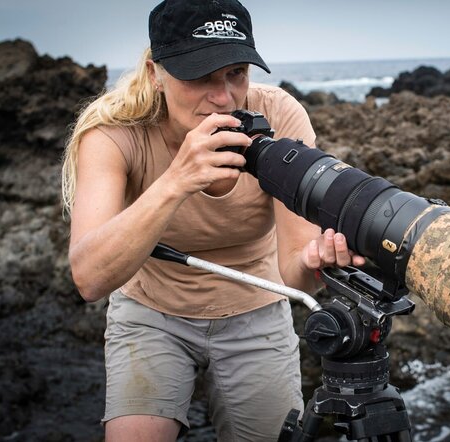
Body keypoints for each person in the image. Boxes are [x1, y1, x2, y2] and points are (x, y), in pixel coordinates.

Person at [60, 0, 364, 440]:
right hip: (151, 312)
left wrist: (319, 261)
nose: (222, 97)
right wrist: (176, 180)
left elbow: (295, 276)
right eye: (199, 76)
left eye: (236, 73)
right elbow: (88, 278)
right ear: (154, 73)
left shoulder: (277, 117)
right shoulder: (113, 133)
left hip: (256, 308)